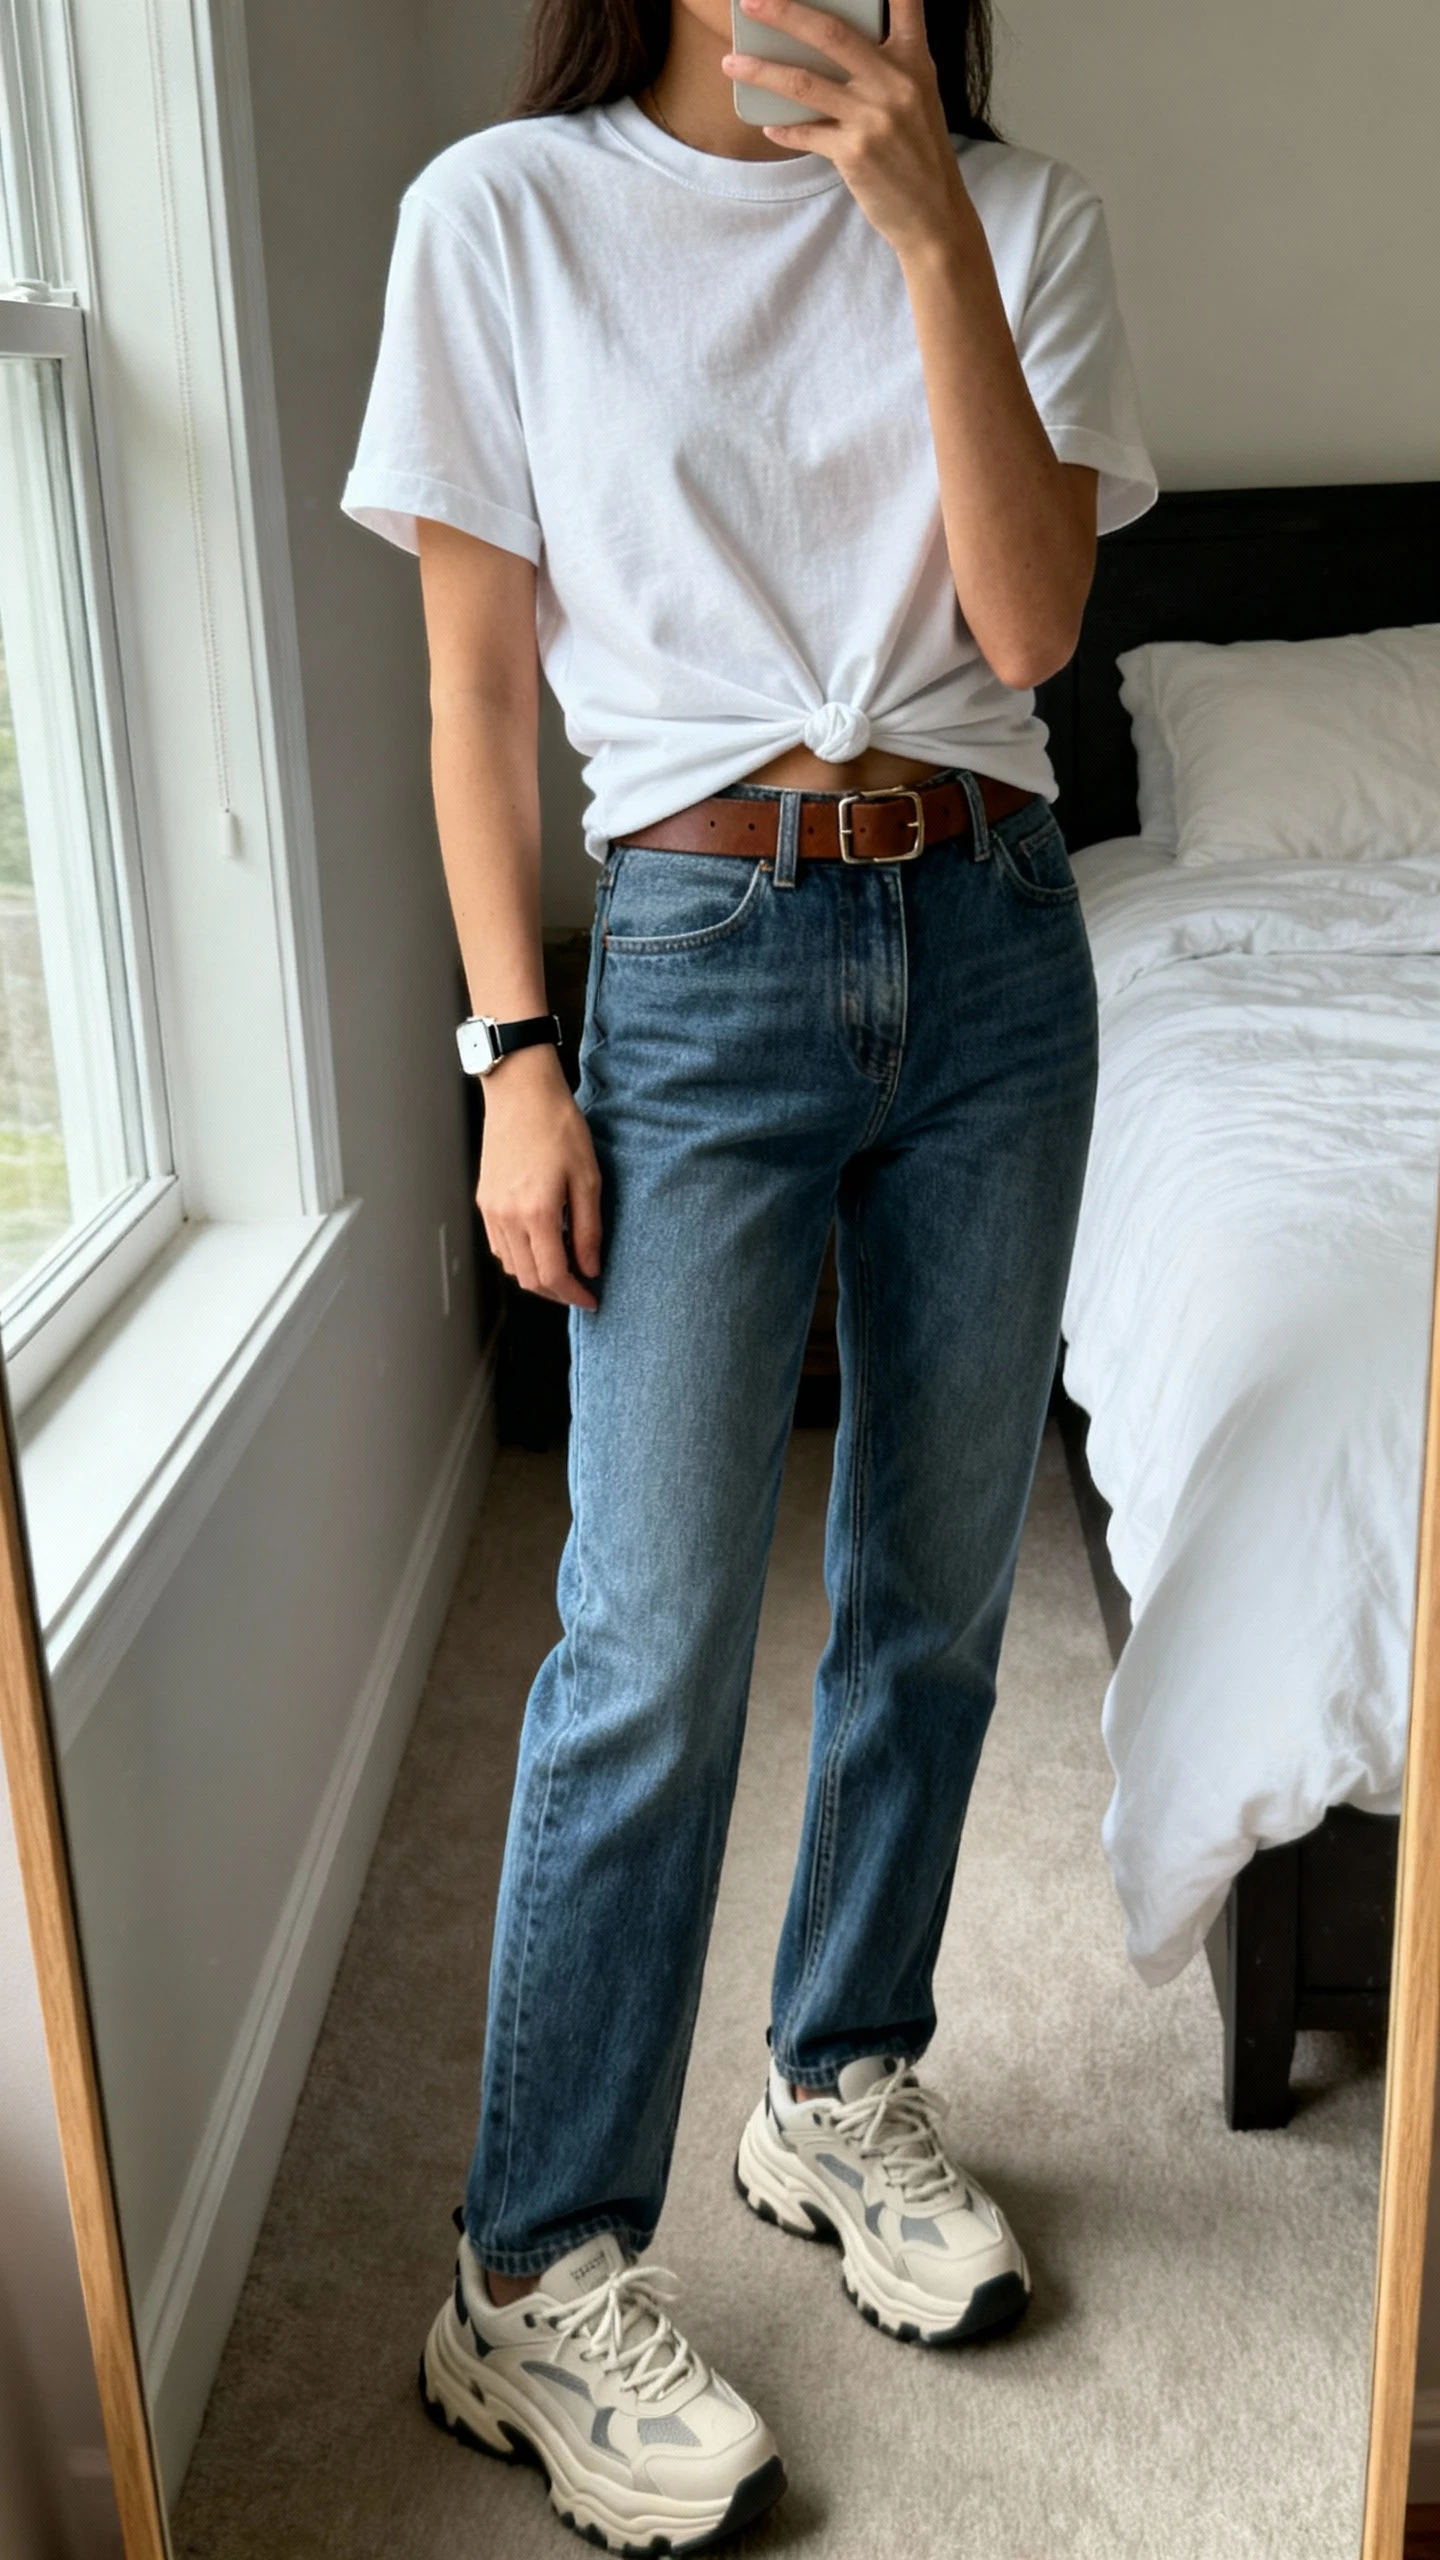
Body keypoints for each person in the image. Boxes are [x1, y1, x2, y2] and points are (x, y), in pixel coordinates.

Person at [344, 0, 1155, 2542]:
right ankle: (530, 2264)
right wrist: (510, 1053)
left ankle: (836, 2078)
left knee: (930, 1595)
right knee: (648, 1638)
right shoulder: (508, 214)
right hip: (692, 957)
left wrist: (922, 227)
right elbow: (480, 689)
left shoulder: (1026, 220)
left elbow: (1029, 632)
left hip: (999, 948)